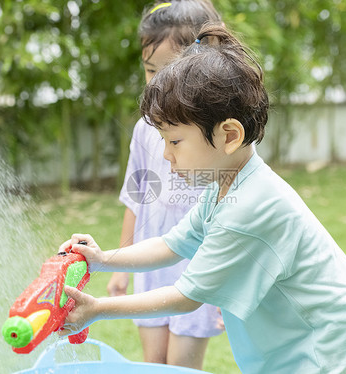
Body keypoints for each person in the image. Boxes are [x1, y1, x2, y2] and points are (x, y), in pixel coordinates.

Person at [58, 24, 346, 373]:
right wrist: (102, 259)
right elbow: (172, 244)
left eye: (175, 142)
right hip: (295, 350)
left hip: (328, 355)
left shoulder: (250, 207)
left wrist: (97, 309)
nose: (166, 156)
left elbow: (186, 297)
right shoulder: (222, 186)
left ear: (229, 135)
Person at [106, 0, 224, 369]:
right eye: (150, 70)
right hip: (152, 269)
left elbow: (233, 214)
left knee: (181, 369)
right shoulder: (144, 129)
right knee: (153, 365)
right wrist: (122, 266)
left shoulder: (218, 131)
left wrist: (226, 285)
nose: (157, 82)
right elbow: (137, 198)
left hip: (199, 269)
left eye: (168, 70)